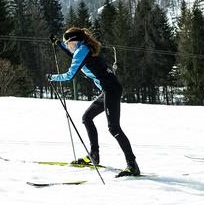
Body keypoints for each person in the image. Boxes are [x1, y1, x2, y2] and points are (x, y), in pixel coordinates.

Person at [48, 27, 140, 177]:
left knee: (114, 128)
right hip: (108, 90)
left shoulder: (81, 51)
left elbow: (70, 75)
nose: (67, 45)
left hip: (112, 90)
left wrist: (52, 77)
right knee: (87, 118)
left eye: (67, 42)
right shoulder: (81, 48)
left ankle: (132, 165)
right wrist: (59, 43)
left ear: (74, 41)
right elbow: (70, 52)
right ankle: (94, 156)